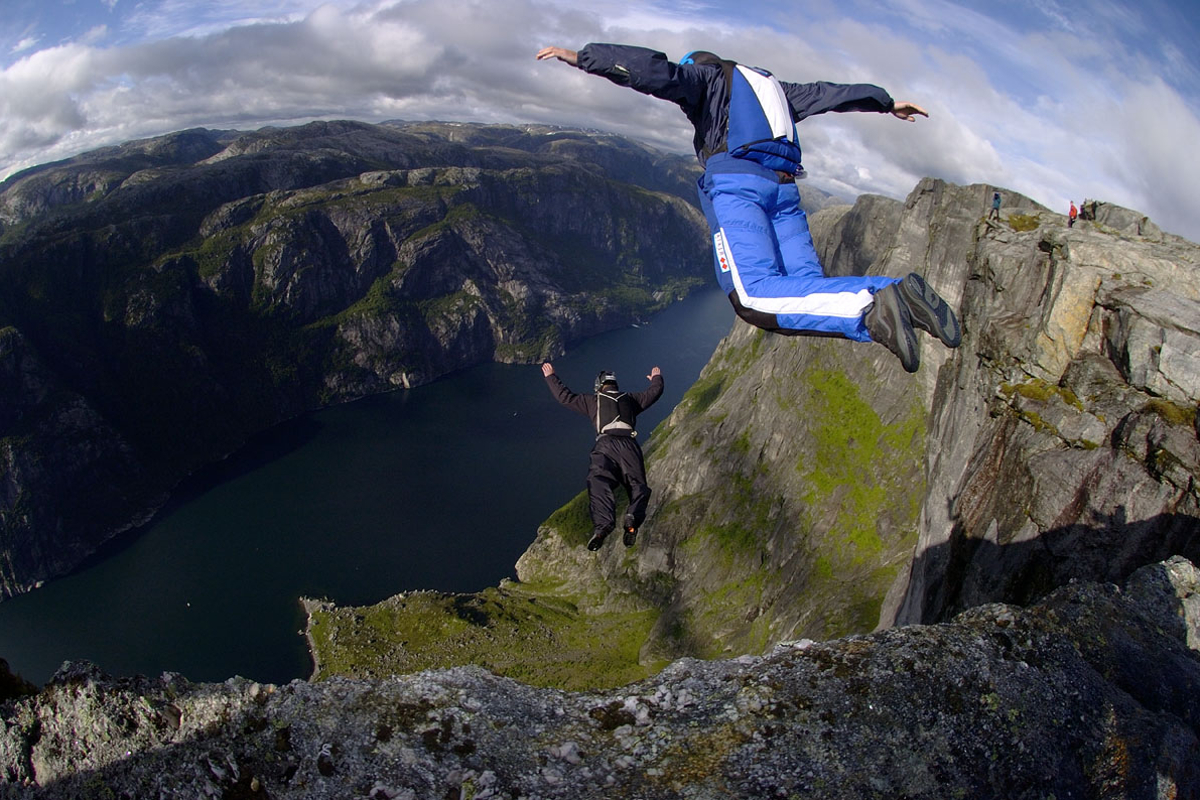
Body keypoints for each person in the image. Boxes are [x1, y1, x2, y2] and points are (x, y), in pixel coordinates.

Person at [536, 44, 960, 373]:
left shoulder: (709, 77)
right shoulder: (775, 88)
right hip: (786, 194)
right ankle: (901, 301)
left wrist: (585, 58)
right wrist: (884, 102)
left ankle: (884, 297)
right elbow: (830, 94)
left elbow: (657, 73)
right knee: (804, 296)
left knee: (754, 296)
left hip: (741, 188)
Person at [542, 362, 663, 550]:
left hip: (605, 445)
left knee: (598, 481)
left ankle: (602, 527)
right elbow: (655, 392)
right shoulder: (631, 399)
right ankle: (632, 520)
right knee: (637, 485)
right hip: (629, 445)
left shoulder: (592, 401)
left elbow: (564, 397)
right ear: (615, 385)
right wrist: (656, 378)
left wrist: (551, 377)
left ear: (599, 386)